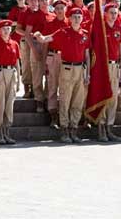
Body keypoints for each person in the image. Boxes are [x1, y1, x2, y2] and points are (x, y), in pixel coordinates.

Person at [33, 8, 90, 143]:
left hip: (80, 69)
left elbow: (87, 55)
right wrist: (39, 36)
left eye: (79, 16)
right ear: (69, 19)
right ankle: (64, 130)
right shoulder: (63, 32)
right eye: (74, 17)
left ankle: (74, 130)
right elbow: (46, 39)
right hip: (67, 68)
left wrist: (87, 73)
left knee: (77, 101)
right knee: (65, 99)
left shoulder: (85, 34)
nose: (77, 19)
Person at [0, 19, 20, 145]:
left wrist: (18, 81)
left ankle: (7, 132)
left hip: (11, 73)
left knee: (9, 104)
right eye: (3, 29)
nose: (6, 31)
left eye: (8, 29)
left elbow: (17, 63)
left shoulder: (14, 44)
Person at [98, 3, 121, 142]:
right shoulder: (100, 28)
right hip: (103, 66)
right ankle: (101, 128)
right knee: (103, 97)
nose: (114, 15)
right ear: (105, 13)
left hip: (115, 66)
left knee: (113, 98)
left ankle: (110, 127)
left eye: (116, 13)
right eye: (111, 12)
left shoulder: (118, 28)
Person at [43, 0, 69, 129]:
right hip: (52, 56)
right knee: (52, 86)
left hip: (66, 57)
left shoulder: (70, 22)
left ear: (66, 9)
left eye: (62, 8)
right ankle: (53, 117)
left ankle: (64, 115)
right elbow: (45, 44)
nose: (59, 10)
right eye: (57, 8)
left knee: (65, 87)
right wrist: (43, 62)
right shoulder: (50, 23)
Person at [7, 0, 31, 98]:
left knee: (28, 63)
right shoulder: (14, 10)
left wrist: (18, 23)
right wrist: (18, 23)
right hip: (16, 38)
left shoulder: (28, 8)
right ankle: (18, 84)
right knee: (19, 62)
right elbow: (10, 22)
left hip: (27, 38)